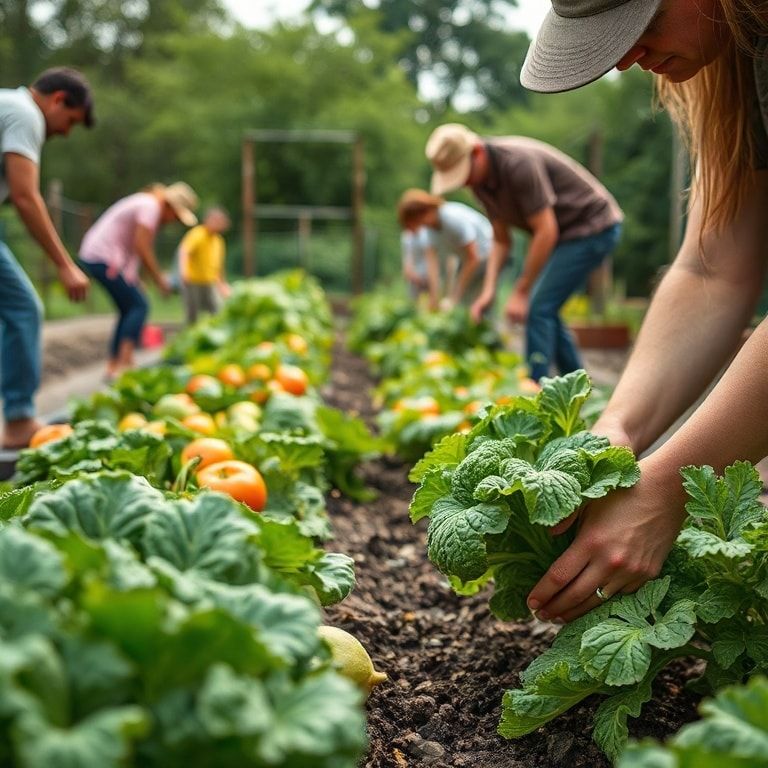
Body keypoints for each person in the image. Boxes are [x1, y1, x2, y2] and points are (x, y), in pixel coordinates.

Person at [516, 0, 768, 623]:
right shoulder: (737, 56)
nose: (627, 59)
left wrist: (667, 489)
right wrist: (619, 429)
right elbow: (711, 268)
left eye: (641, 24)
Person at [425, 123, 623, 381]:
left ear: (477, 153)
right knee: (545, 308)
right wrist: (489, 290)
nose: (464, 182)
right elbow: (501, 239)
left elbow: (546, 230)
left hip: (593, 227)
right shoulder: (480, 184)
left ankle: (536, 390)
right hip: (563, 236)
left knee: (538, 307)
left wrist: (521, 290)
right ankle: (577, 391)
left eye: (463, 173)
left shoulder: (518, 164)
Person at [0, 67, 94, 449]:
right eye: (69, 120)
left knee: (22, 308)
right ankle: (20, 421)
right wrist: (64, 263)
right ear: (57, 100)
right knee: (23, 308)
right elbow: (26, 196)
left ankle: (20, 417)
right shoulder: (25, 113)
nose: (65, 132)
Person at [79, 182, 198, 380]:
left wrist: (132, 278)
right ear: (170, 206)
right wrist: (159, 280)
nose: (172, 222)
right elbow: (142, 246)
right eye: (176, 217)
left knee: (129, 307)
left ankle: (114, 365)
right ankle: (124, 363)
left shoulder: (146, 203)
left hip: (101, 256)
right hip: (103, 257)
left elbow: (131, 248)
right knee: (138, 305)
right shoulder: (150, 206)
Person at [397, 188, 493, 311]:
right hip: (468, 260)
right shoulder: (429, 230)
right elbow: (432, 265)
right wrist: (433, 299)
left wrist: (454, 298)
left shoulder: (450, 218)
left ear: (419, 214)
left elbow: (473, 257)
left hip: (488, 255)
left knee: (474, 304)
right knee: (461, 304)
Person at [178, 206, 231, 325]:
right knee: (192, 315)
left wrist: (222, 284)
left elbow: (219, 265)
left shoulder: (218, 240)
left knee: (218, 311)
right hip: (193, 281)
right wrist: (183, 271)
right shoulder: (198, 234)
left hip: (209, 282)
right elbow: (185, 251)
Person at [401, 228, 429, 300]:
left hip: (430, 276)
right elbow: (408, 256)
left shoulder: (429, 232)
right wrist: (411, 274)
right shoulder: (407, 236)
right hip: (415, 277)